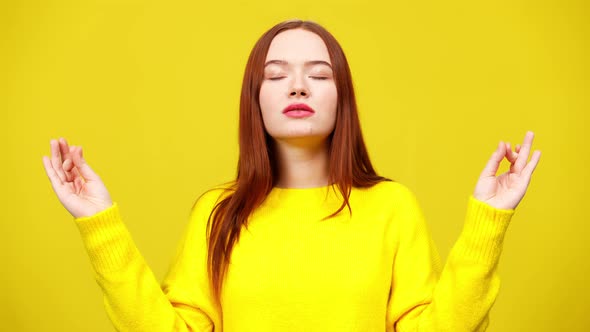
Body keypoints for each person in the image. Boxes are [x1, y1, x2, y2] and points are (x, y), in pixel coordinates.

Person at [42, 19, 541, 332]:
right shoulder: (217, 213)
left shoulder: (393, 208)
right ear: (253, 101)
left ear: (341, 97)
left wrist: (489, 220)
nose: (298, 87)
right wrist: (99, 223)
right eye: (276, 75)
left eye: (319, 75)